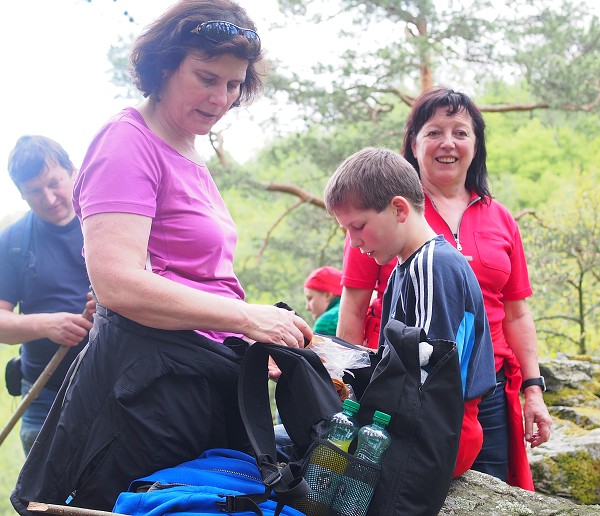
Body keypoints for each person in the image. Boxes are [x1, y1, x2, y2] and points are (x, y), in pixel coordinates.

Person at [10, 1, 312, 513]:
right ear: (164, 65)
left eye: (234, 84)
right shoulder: (127, 143)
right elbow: (118, 284)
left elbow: (199, 278)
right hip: (147, 393)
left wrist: (249, 333)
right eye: (206, 77)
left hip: (204, 378)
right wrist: (244, 317)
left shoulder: (189, 150)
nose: (221, 97)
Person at [401, 87, 552, 489]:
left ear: (476, 144)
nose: (448, 143)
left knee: (489, 494)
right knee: (409, 495)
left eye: (461, 132)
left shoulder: (500, 217)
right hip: (409, 392)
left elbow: (518, 312)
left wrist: (534, 391)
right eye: (434, 132)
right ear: (414, 143)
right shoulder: (391, 209)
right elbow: (355, 306)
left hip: (489, 391)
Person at [324, 146, 496, 477]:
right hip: (433, 427)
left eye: (358, 226)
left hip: (441, 435)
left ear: (399, 209)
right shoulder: (407, 266)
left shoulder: (431, 266)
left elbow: (428, 379)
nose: (354, 242)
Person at [0, 135, 94, 455]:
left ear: (73, 171)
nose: (50, 198)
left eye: (54, 183)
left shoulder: (106, 223)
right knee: (44, 501)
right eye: (35, 191)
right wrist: (47, 325)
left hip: (114, 385)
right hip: (44, 395)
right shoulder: (12, 241)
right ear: (22, 194)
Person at [304, 265, 343, 336]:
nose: (307, 307)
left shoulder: (327, 322)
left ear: (328, 295)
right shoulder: (358, 310)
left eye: (310, 298)